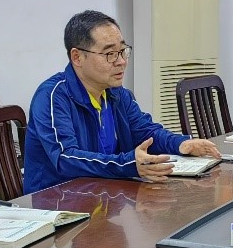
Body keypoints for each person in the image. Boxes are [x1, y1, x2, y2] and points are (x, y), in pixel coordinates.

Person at [23, 11, 220, 193]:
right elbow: (66, 158)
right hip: (56, 203)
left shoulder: (117, 94)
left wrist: (182, 144)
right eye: (110, 54)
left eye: (123, 51)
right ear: (77, 57)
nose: (121, 61)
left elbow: (145, 132)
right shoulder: (52, 96)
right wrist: (128, 163)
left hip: (103, 197)